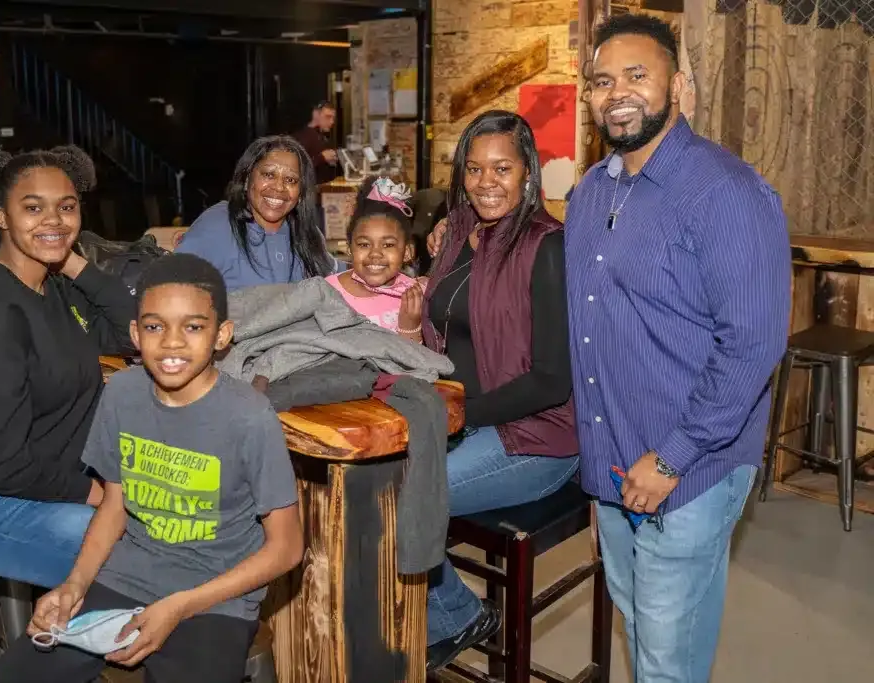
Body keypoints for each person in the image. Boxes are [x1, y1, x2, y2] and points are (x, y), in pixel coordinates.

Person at [567, 14, 789, 682]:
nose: (618, 93)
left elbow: (752, 344)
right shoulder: (591, 192)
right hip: (614, 461)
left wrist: (671, 458)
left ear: (678, 85)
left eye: (637, 75)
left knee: (667, 657)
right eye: (602, 81)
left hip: (690, 466)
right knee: (639, 624)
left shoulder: (725, 191)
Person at [0, 253, 305, 683]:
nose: (171, 343)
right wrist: (74, 585)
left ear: (222, 335)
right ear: (135, 333)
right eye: (154, 327)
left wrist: (181, 606)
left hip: (213, 598)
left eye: (193, 327)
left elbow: (287, 548)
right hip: (124, 578)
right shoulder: (122, 392)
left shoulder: (249, 416)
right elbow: (114, 504)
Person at [0, 144, 138, 588]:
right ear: (2, 217)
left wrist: (70, 259)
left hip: (43, 480)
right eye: (33, 208)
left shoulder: (50, 286)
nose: (54, 219)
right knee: (148, 553)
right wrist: (104, 497)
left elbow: (132, 333)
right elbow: (2, 467)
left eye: (66, 208)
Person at [420, 110, 579, 672]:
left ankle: (457, 614)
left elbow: (553, 381)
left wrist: (461, 415)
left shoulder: (547, 246)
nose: (486, 181)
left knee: (399, 499)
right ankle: (413, 619)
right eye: (474, 168)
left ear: (528, 171)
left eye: (502, 168)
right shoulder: (456, 236)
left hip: (535, 438)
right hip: (466, 420)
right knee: (368, 482)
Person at [175, 135, 333, 291]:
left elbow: (335, 276)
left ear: (301, 193)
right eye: (269, 175)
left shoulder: (306, 232)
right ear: (246, 179)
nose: (279, 187)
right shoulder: (219, 224)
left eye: (290, 180)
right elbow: (172, 288)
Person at [324, 176, 425, 340]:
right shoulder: (328, 292)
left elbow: (427, 354)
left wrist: (410, 329)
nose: (375, 254)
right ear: (350, 249)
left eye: (388, 245)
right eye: (364, 244)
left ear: (407, 252)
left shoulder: (414, 296)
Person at [292, 101, 339, 185]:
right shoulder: (303, 136)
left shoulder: (322, 136)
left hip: (323, 187)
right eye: (328, 117)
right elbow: (296, 167)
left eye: (333, 118)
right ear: (316, 115)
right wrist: (322, 157)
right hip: (308, 189)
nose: (332, 122)